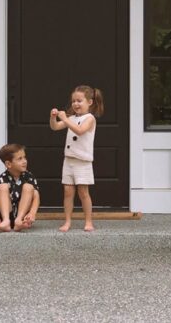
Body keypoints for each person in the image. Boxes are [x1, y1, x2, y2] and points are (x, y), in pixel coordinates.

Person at [50, 85, 103, 232]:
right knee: (67, 191)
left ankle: (88, 221)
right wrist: (53, 117)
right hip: (69, 161)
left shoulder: (90, 118)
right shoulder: (71, 118)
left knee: (83, 192)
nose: (75, 104)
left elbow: (79, 131)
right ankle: (67, 221)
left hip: (83, 162)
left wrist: (65, 119)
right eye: (73, 101)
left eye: (79, 101)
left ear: (90, 102)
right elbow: (55, 127)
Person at [0, 143, 40, 232]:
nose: (25, 161)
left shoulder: (29, 177)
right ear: (8, 164)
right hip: (6, 214)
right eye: (20, 159)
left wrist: (32, 213)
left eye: (24, 157)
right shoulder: (1, 179)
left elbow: (36, 197)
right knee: (2, 187)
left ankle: (18, 221)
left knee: (29, 187)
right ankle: (6, 222)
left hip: (24, 219)